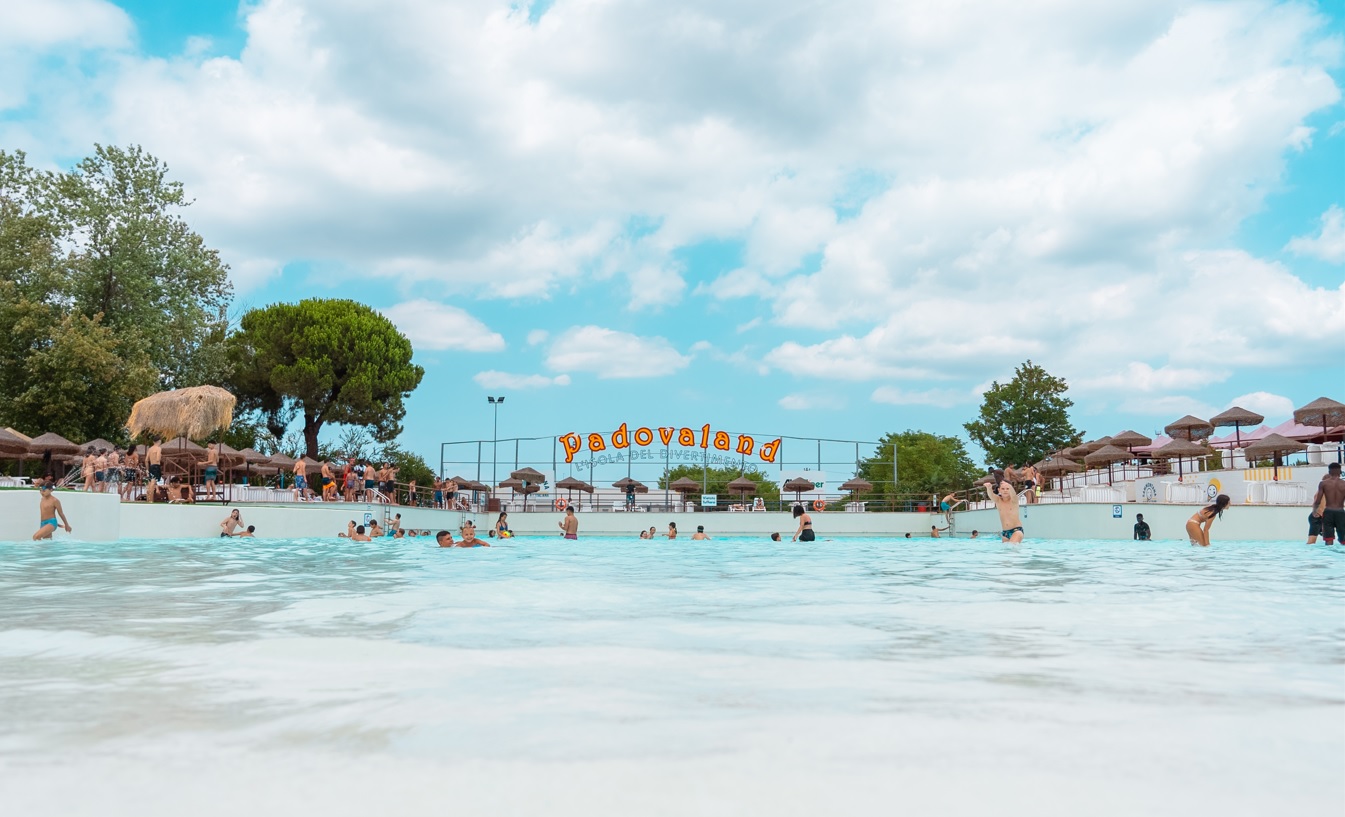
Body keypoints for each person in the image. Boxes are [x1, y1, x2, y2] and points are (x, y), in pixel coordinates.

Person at [1310, 463, 1345, 546]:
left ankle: (1329, 553)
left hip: (1328, 512)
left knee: (1328, 539)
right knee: (1343, 539)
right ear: (1340, 472)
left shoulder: (1323, 483)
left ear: (1329, 472)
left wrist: (1314, 511)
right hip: (1340, 512)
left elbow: (1318, 501)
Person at [987, 469, 1024, 543]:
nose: (1005, 490)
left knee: (1011, 547)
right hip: (1005, 533)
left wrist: (1009, 486)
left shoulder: (1014, 500)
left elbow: (1013, 494)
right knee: (1006, 550)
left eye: (1007, 489)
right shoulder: (998, 500)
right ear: (999, 490)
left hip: (1016, 530)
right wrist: (989, 488)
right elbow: (991, 495)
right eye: (1003, 489)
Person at [147, 439, 163, 503]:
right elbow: (158, 459)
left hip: (151, 466)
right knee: (153, 483)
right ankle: (150, 500)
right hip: (156, 466)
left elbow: (146, 460)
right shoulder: (158, 448)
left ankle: (148, 499)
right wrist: (160, 456)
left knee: (150, 483)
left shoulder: (150, 449)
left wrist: (147, 469)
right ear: (159, 441)